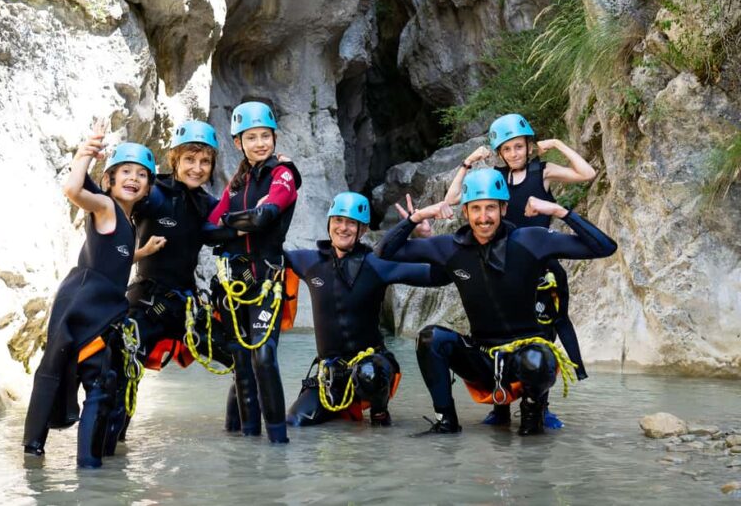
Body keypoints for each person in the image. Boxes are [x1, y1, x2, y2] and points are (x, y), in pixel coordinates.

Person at [376, 168, 616, 436]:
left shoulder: (530, 240)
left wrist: (560, 211)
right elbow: (385, 252)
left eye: (491, 208)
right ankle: (446, 422)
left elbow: (604, 247)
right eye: (475, 208)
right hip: (482, 357)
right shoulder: (448, 248)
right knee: (430, 338)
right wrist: (417, 218)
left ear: (504, 208)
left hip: (527, 357)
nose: (483, 217)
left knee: (537, 357)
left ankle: (532, 423)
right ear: (465, 212)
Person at [445, 113, 596, 427]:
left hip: (541, 268)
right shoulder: (495, 179)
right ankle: (500, 408)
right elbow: (451, 200)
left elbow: (587, 173)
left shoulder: (543, 172)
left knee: (543, 334)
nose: (514, 154)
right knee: (497, 335)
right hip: (503, 267)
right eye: (507, 149)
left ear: (529, 146)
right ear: (499, 153)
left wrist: (556, 144)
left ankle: (540, 404)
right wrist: (467, 164)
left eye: (519, 146)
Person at [23, 120, 157, 468]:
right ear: (109, 181)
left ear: (148, 188)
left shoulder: (126, 224)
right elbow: (72, 189)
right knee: (74, 376)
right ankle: (82, 465)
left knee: (96, 382)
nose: (133, 178)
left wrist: (142, 253)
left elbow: (115, 255)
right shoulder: (106, 208)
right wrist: (86, 152)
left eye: (141, 175)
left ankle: (56, 457)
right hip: (84, 305)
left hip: (101, 308)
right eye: (124, 171)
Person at [114, 120, 239, 446]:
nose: (197, 168)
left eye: (204, 162)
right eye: (189, 160)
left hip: (185, 307)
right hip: (145, 303)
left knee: (243, 361)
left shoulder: (207, 206)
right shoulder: (154, 193)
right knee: (126, 373)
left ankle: (241, 441)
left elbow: (231, 228)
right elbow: (117, 198)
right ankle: (112, 449)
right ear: (175, 159)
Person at [285, 192, 450, 427]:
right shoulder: (309, 262)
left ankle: (380, 414)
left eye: (352, 223)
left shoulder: (377, 264)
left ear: (362, 231)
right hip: (331, 372)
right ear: (329, 224)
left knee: (368, 372)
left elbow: (439, 276)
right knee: (294, 423)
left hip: (374, 365)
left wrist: (427, 240)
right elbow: (267, 255)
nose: (343, 228)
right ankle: (340, 407)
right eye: (338, 221)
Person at [204, 101, 300, 444]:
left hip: (266, 279)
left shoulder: (283, 173)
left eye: (265, 136)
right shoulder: (237, 184)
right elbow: (207, 230)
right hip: (234, 283)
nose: (260, 143)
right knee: (241, 361)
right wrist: (241, 224)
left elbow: (267, 216)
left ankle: (278, 443)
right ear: (238, 143)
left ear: (274, 137)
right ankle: (246, 446)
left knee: (263, 356)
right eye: (251, 137)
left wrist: (233, 223)